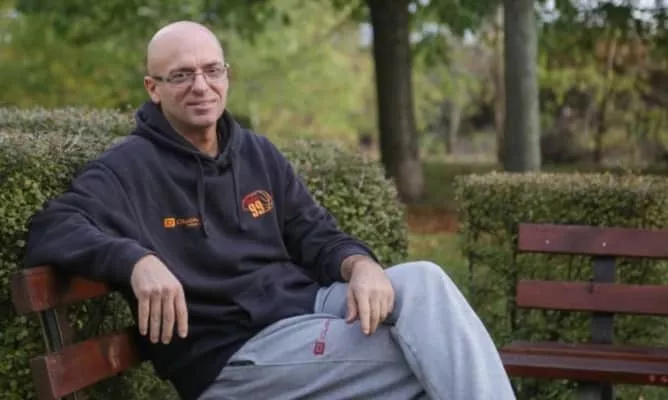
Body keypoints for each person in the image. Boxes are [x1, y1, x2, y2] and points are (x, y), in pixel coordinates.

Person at [23, 21, 516, 400]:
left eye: (211, 70)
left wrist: (361, 265)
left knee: (425, 280)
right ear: (153, 88)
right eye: (182, 75)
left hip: (301, 312)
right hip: (234, 354)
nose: (201, 85)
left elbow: (315, 234)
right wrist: (136, 261)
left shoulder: (256, 152)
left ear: (227, 76)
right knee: (431, 352)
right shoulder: (128, 168)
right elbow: (52, 227)